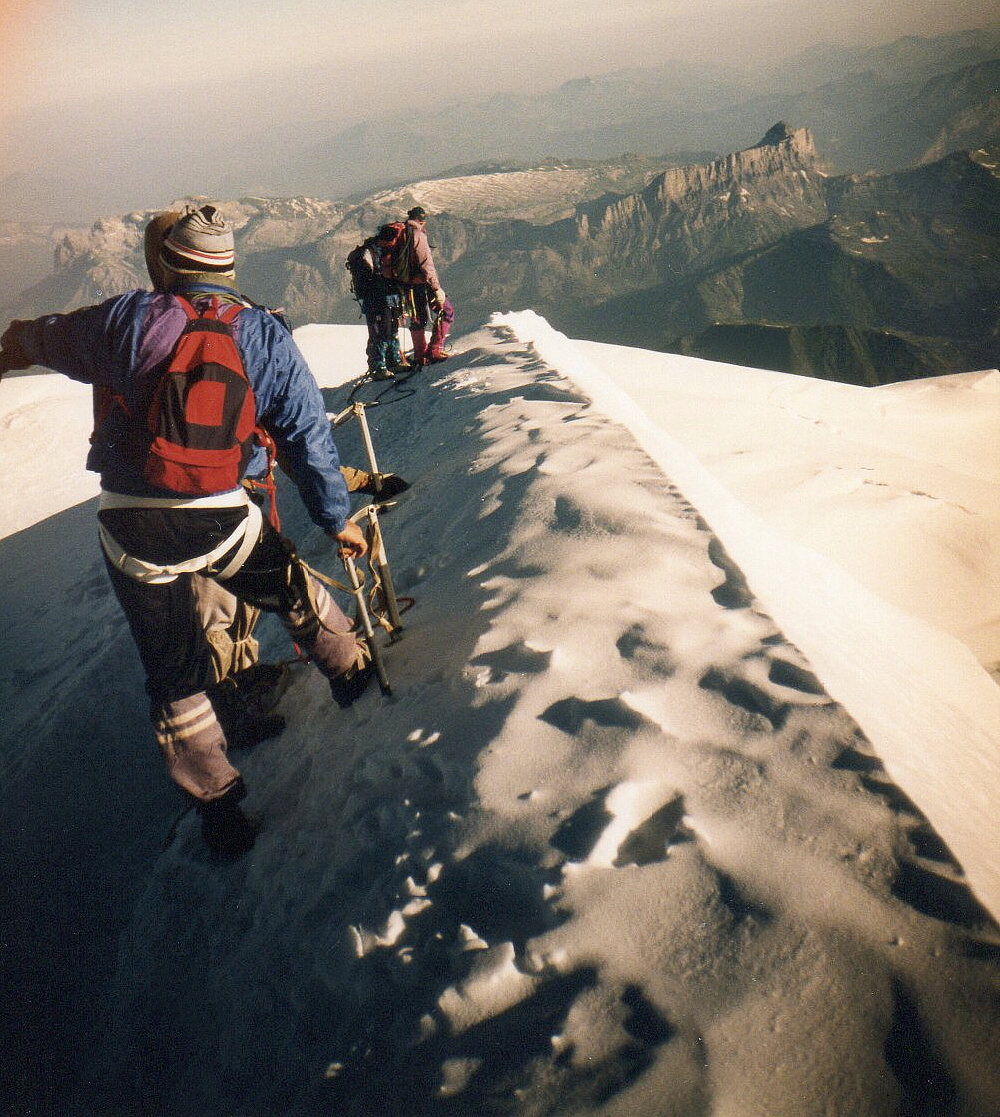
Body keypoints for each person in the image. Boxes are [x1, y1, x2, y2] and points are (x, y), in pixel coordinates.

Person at [0, 203, 376, 858]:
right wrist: (336, 519)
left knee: (172, 671)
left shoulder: (130, 319)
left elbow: (43, 338)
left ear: (170, 264)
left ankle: (219, 811)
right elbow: (308, 437)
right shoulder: (261, 335)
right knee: (286, 582)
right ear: (227, 266)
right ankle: (351, 673)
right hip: (220, 513)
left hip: (129, 525)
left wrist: (14, 346)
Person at [402, 206, 455, 366]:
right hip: (422, 284)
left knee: (417, 318)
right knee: (446, 311)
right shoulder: (418, 235)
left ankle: (420, 355)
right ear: (422, 220)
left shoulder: (402, 234)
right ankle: (435, 350)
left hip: (405, 286)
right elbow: (427, 265)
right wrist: (436, 288)